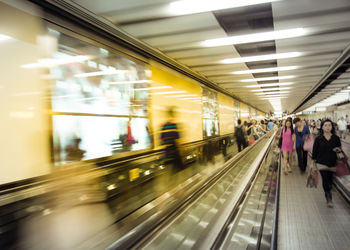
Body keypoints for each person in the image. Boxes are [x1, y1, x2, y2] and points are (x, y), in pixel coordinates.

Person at [311, 119, 341, 208]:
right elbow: (315, 151)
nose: (328, 127)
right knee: (325, 179)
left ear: (332, 127)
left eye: (329, 125)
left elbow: (339, 149)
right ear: (322, 127)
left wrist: (338, 149)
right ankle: (328, 197)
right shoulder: (318, 139)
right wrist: (313, 163)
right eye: (326, 125)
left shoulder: (336, 138)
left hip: (332, 162)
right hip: (321, 162)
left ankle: (329, 190)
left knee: (330, 180)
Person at [160, 106, 183, 172]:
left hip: (166, 153)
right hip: (173, 153)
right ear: (172, 114)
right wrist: (180, 150)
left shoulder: (163, 126)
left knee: (168, 171)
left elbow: (161, 139)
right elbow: (177, 139)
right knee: (175, 171)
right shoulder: (174, 125)